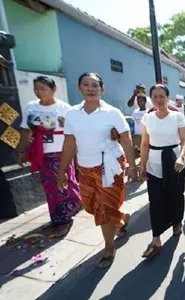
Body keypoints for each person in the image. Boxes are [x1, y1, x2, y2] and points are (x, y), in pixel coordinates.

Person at [58, 72, 137, 269]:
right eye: (86, 85)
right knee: (91, 207)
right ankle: (121, 218)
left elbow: (126, 139)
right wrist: (62, 171)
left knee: (104, 209)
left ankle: (109, 248)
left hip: (110, 165)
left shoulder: (112, 113)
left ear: (102, 89)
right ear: (79, 88)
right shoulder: (72, 114)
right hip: (84, 167)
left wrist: (134, 166)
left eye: (95, 85)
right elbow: (69, 144)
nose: (91, 89)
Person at [16, 76, 82, 237]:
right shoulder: (30, 107)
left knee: (65, 183)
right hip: (41, 153)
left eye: (43, 88)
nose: (39, 92)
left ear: (53, 90)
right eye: (36, 88)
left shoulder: (65, 109)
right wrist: (20, 152)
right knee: (50, 187)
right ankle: (60, 217)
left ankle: (66, 215)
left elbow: (75, 134)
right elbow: (26, 131)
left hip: (62, 151)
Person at [139, 84, 185, 259]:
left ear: (168, 98)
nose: (158, 100)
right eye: (155, 97)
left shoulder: (177, 117)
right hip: (154, 164)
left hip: (174, 161)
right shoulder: (147, 118)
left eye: (162, 96)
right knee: (156, 201)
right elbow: (144, 144)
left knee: (175, 195)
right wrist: (142, 165)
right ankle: (156, 239)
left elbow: (184, 141)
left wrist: (181, 157)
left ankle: (176, 221)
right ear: (151, 99)